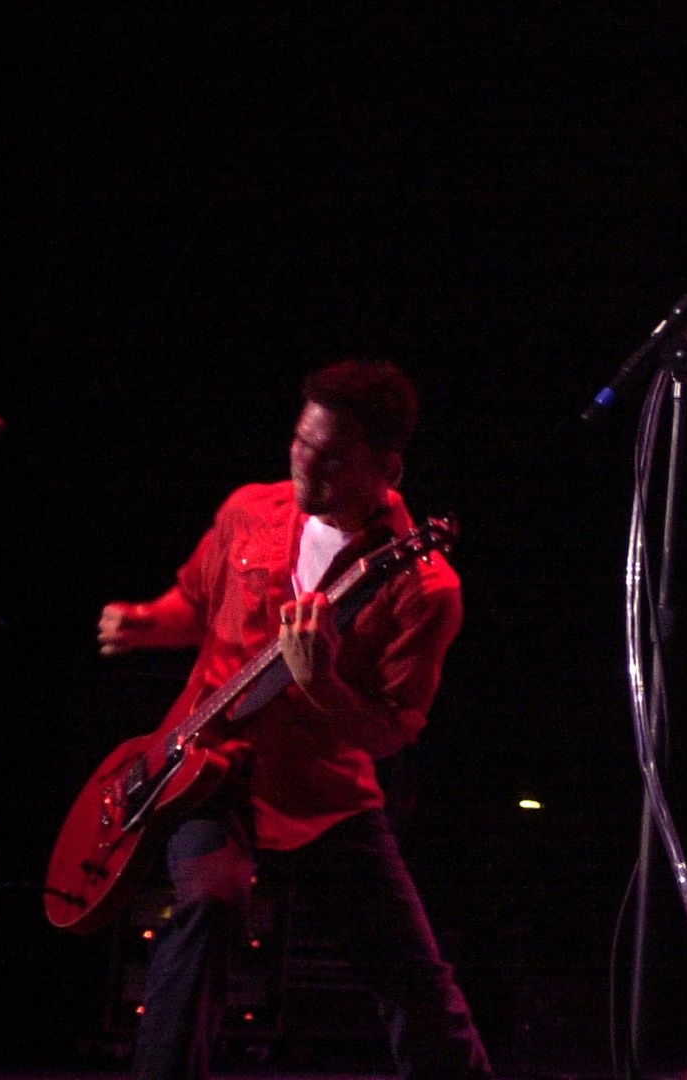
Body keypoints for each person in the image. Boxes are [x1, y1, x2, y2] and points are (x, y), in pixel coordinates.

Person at [95, 359, 490, 1080]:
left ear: (388, 470)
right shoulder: (251, 509)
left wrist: (321, 685)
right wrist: (147, 621)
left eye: (333, 458)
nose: (306, 465)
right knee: (210, 902)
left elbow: (392, 730)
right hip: (206, 768)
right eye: (301, 442)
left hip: (321, 792)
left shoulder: (425, 588)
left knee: (415, 979)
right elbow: (195, 603)